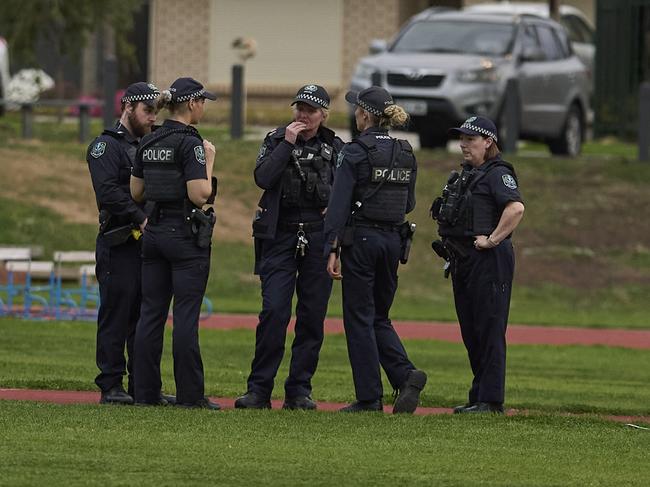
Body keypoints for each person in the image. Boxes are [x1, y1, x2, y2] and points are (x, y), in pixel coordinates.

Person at [235, 85, 344, 410]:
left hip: (318, 237)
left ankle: (299, 390)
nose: (302, 115)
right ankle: (259, 390)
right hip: (279, 236)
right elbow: (263, 178)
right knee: (274, 311)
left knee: (312, 316)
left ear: (324, 114)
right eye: (299, 108)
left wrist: (335, 228)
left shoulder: (336, 146)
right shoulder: (275, 139)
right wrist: (287, 144)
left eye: (310, 110)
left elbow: (346, 191)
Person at [323, 86, 427, 413]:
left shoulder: (355, 152)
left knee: (358, 317)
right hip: (393, 242)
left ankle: (369, 397)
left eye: (357, 109)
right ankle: (405, 375)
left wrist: (332, 247)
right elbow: (408, 202)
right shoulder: (405, 151)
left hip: (363, 240)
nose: (354, 113)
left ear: (365, 114)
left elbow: (338, 206)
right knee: (378, 316)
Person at [130, 77, 219, 409]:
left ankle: (146, 393)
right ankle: (190, 395)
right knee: (185, 316)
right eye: (203, 102)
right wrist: (209, 160)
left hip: (153, 234)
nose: (204, 108)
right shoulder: (191, 143)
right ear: (193, 104)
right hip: (184, 234)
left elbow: (136, 192)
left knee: (151, 314)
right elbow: (199, 194)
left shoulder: (149, 141)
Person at [431, 116, 525, 414]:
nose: (463, 144)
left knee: (489, 327)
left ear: (488, 142)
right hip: (464, 261)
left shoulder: (498, 174)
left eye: (470, 139)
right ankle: (479, 395)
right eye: (462, 139)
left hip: (489, 260)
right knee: (471, 329)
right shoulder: (470, 173)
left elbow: (516, 208)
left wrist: (493, 240)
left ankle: (491, 400)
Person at [86, 82, 160, 405]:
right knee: (116, 313)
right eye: (148, 110)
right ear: (128, 106)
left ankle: (143, 386)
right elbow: (108, 193)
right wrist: (139, 218)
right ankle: (111, 383)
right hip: (118, 242)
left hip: (147, 245)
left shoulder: (151, 146)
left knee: (144, 317)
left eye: (156, 111)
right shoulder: (106, 146)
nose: (153, 118)